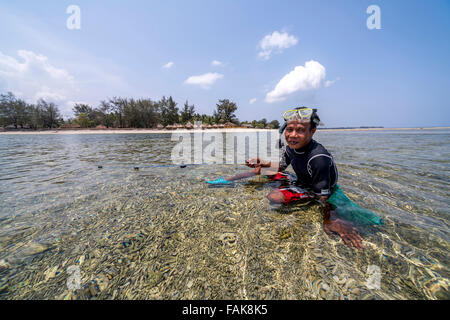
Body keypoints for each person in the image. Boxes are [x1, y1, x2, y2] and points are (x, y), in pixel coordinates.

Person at [245, 107, 364, 250]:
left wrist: (331, 218)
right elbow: (281, 166)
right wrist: (262, 162)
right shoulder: (291, 147)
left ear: (312, 131)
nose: (293, 135)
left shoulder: (318, 158)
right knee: (260, 170)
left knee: (274, 196)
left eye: (300, 130)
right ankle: (228, 181)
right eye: (289, 130)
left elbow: (323, 196)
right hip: (300, 180)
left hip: (316, 190)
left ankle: (297, 196)